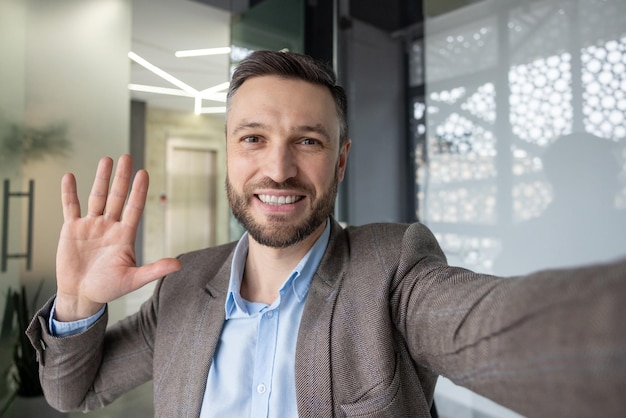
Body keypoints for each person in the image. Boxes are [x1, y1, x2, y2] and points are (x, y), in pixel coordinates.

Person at [27, 50, 626, 417]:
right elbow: (72, 391)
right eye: (254, 139)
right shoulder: (183, 287)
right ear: (230, 154)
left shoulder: (393, 270)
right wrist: (78, 302)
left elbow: (508, 327)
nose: (279, 169)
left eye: (307, 142)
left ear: (339, 161)